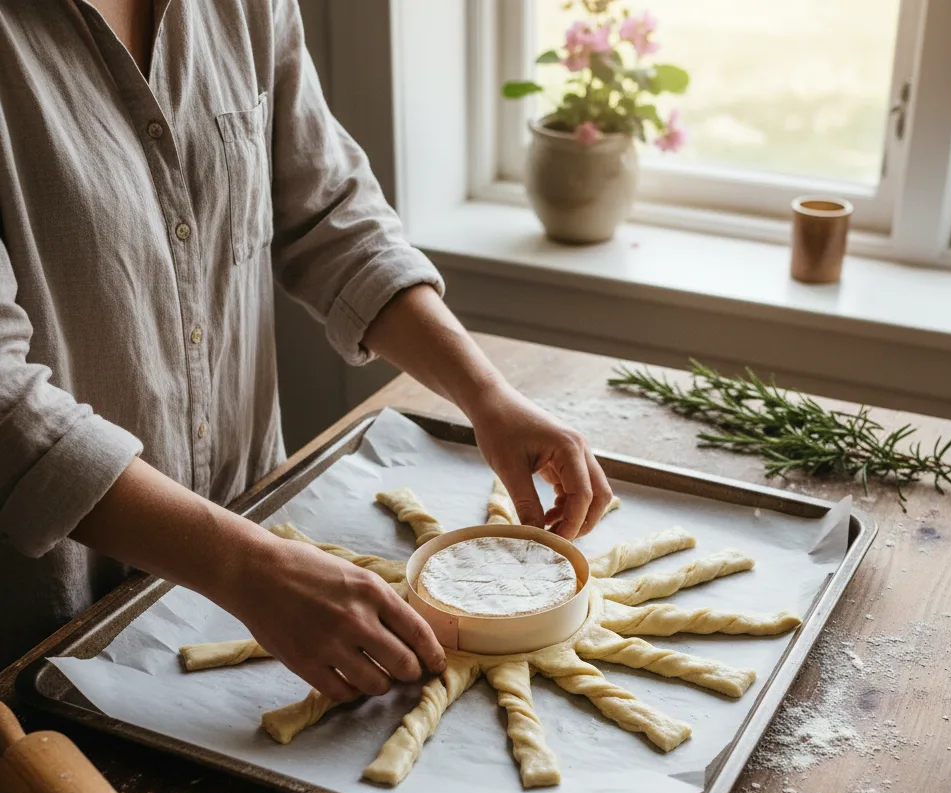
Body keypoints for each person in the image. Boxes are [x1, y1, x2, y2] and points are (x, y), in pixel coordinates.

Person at [0, 0, 613, 702]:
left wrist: (487, 395)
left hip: (261, 538)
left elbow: (331, 219)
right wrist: (245, 568)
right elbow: (7, 407)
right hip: (49, 630)